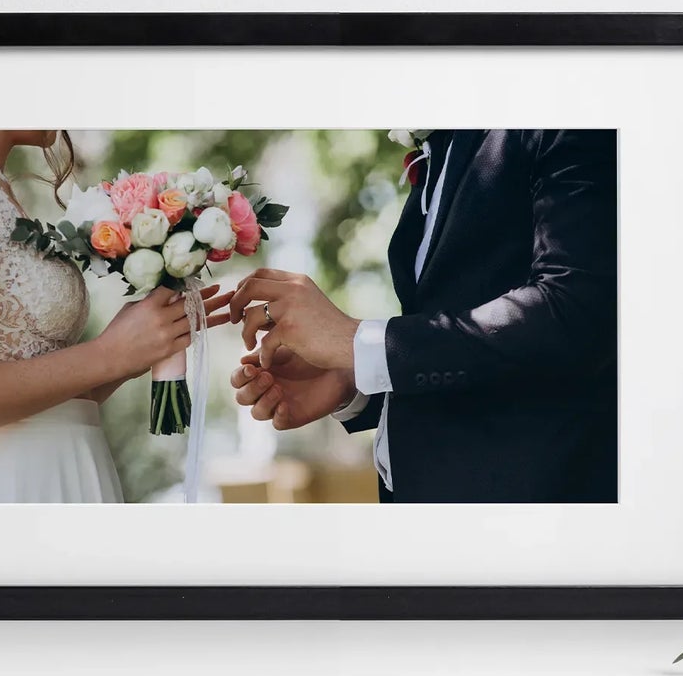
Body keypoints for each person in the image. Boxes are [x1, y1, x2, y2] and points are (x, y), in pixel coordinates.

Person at [228, 130, 617, 503]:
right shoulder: (442, 147)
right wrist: (354, 377)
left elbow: (575, 311)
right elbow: (481, 355)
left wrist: (358, 343)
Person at [0, 130, 230, 502]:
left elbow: (36, 396)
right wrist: (109, 354)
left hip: (65, 470)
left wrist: (132, 352)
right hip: (7, 490)